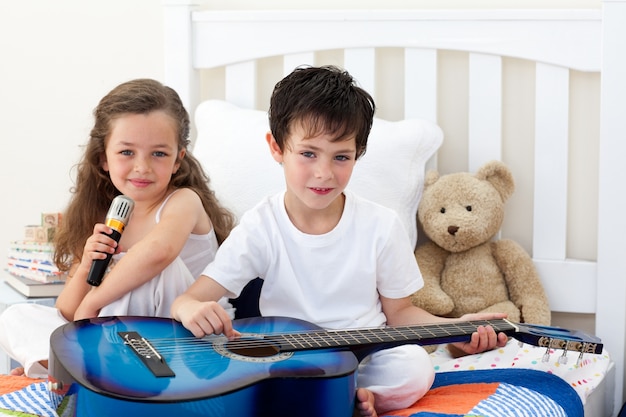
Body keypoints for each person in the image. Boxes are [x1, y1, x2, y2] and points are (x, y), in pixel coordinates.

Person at [170, 66, 509, 417]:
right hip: (291, 359)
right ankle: (341, 400)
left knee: (413, 367)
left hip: (367, 355)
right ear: (276, 147)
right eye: (308, 153)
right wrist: (190, 308)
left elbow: (401, 313)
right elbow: (190, 298)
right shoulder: (262, 226)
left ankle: (357, 398)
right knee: (246, 377)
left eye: (341, 157)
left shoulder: (381, 225)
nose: (324, 173)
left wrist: (455, 331)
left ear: (358, 154)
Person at [0, 78, 235, 378]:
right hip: (120, 333)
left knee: (147, 266)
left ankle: (70, 365)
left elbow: (158, 253)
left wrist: (93, 302)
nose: (142, 167)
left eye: (159, 154)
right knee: (16, 316)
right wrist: (86, 266)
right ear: (103, 158)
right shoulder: (109, 215)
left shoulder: (183, 201)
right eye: (127, 152)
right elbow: (70, 311)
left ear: (178, 160)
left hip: (190, 337)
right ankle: (78, 366)